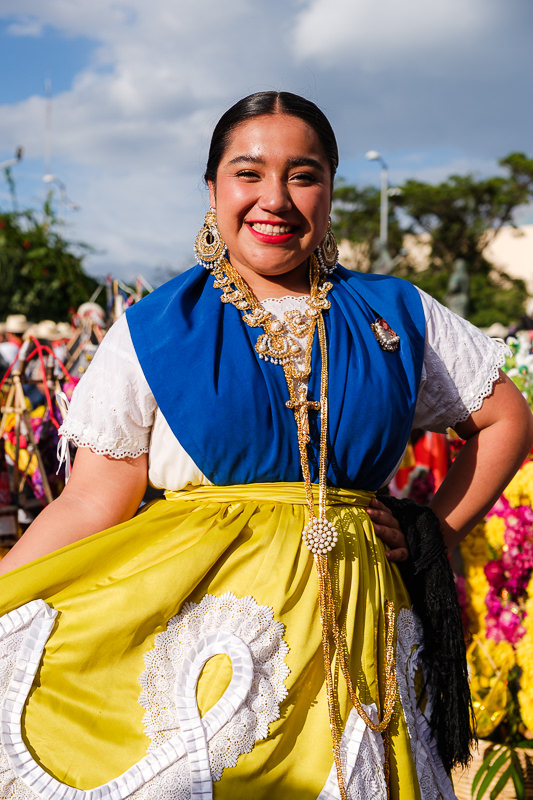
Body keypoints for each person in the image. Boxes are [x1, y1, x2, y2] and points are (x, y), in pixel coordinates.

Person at [0, 91, 531, 800]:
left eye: (302, 174)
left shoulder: (396, 311)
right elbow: (94, 500)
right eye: (248, 173)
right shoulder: (154, 328)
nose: (274, 199)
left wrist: (432, 528)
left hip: (358, 626)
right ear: (214, 187)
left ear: (330, 189)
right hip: (208, 646)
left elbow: (504, 420)